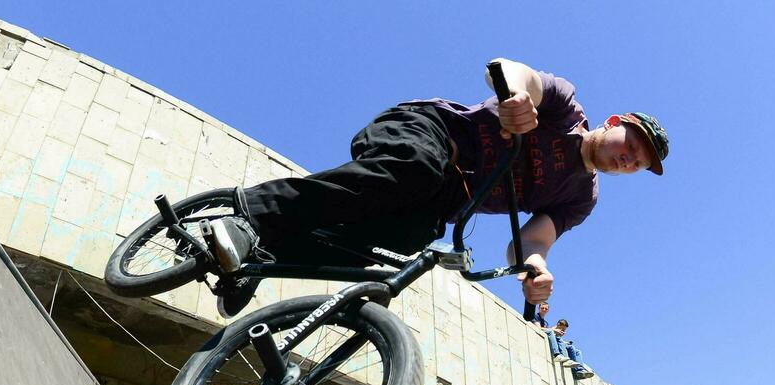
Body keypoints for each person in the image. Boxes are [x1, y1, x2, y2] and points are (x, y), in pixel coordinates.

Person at [195, 61, 670, 317]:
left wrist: (534, 269)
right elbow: (507, 69)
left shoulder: (580, 197)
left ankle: (259, 256)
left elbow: (532, 239)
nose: (627, 159)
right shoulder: (564, 107)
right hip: (428, 132)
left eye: (636, 164)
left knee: (403, 243)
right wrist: (517, 96)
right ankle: (250, 214)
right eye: (631, 144)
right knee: (415, 170)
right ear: (613, 123)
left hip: (444, 198)